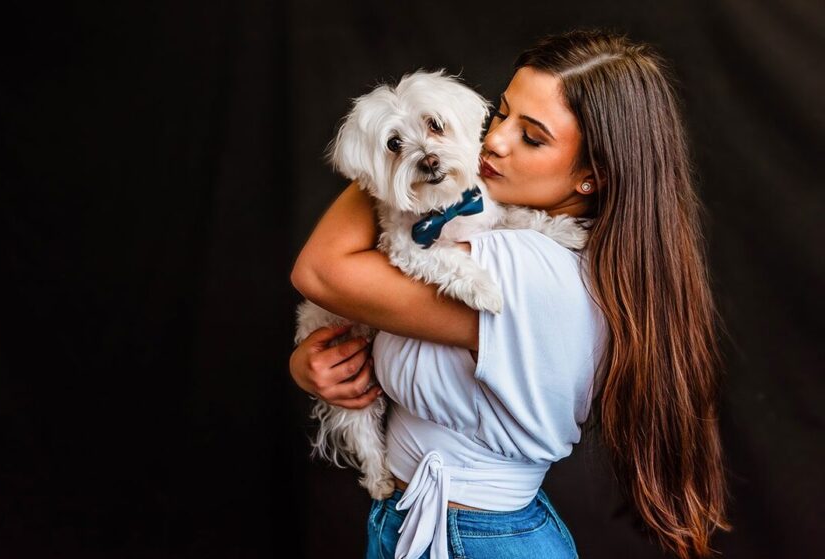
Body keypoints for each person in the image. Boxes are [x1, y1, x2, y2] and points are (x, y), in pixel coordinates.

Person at [289, 28, 732, 559]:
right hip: (444, 527)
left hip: (472, 539)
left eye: (533, 136)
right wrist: (313, 365)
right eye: (500, 115)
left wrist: (400, 159)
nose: (493, 141)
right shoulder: (523, 239)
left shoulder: (524, 269)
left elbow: (321, 272)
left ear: (592, 175)